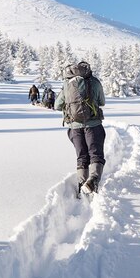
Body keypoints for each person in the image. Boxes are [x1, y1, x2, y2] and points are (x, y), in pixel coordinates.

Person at [54, 61, 106, 194]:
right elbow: (102, 102)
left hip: (74, 127)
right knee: (95, 154)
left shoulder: (67, 84)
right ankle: (93, 181)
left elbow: (57, 105)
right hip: (93, 125)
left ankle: (81, 185)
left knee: (82, 156)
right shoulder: (94, 82)